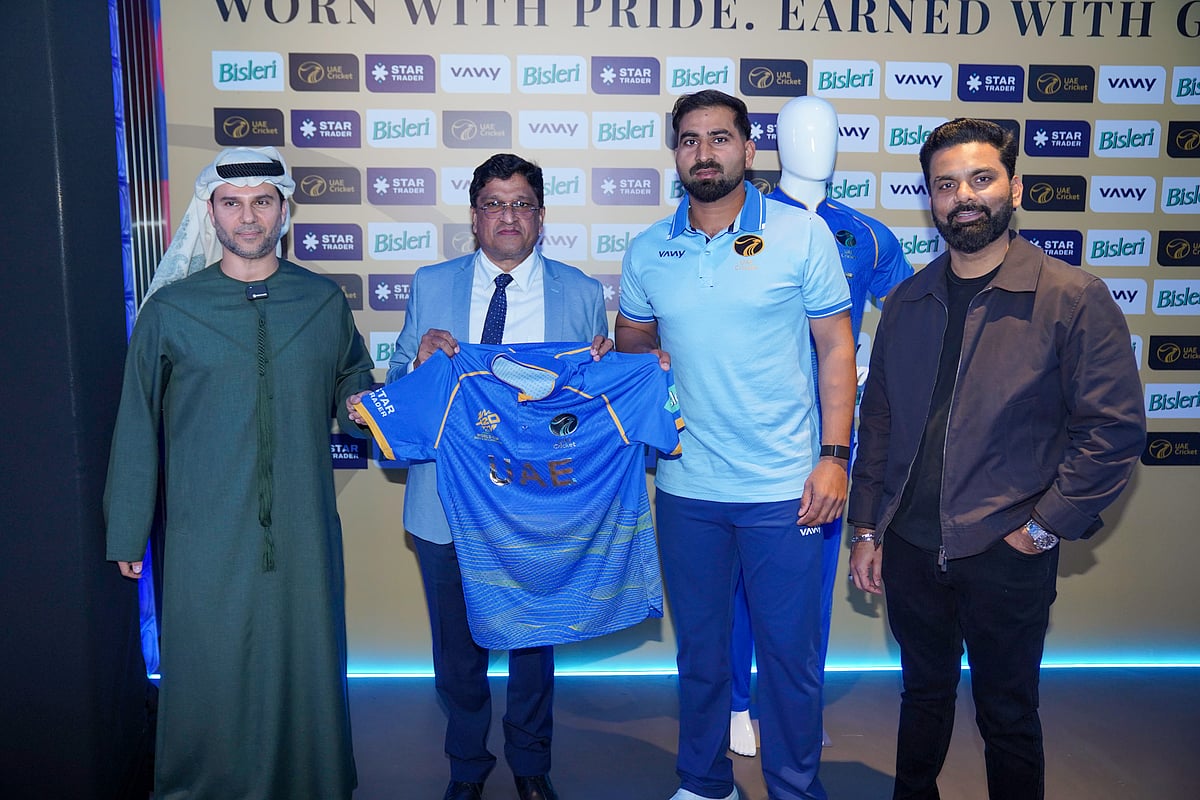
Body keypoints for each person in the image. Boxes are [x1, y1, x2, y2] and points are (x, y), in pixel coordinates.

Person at [847, 118, 1146, 800]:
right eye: (946, 185)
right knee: (921, 698)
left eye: (981, 179)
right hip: (912, 548)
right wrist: (867, 530)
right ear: (931, 199)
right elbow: (883, 425)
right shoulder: (907, 300)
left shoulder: (1071, 296)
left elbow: (1115, 430)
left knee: (1008, 716)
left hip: (1007, 551)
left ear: (1015, 187)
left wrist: (1043, 527)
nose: (964, 197)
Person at [104, 146, 372, 799]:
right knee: (209, 669)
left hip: (303, 533)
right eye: (232, 203)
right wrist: (127, 528)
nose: (247, 217)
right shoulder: (172, 311)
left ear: (284, 210)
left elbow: (356, 392)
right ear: (211, 212)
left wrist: (396, 398)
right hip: (203, 535)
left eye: (261, 201)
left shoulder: (320, 301)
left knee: (302, 665)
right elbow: (136, 422)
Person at [616, 90, 857, 800]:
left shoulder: (799, 234)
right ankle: (704, 779)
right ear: (676, 155)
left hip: (785, 487)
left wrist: (834, 457)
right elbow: (634, 335)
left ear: (749, 151)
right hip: (687, 489)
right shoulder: (649, 248)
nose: (704, 153)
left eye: (720, 138)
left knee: (789, 658)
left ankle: (793, 788)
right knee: (702, 655)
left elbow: (837, 347)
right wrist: (636, 353)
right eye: (689, 141)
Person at [348, 153, 608, 800]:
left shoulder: (579, 293)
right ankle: (467, 767)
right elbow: (398, 391)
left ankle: (530, 764)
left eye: (521, 204)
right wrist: (418, 364)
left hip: (538, 505)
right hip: (445, 502)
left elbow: (590, 408)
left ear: (541, 215)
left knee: (533, 649)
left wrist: (603, 375)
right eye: (494, 204)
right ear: (474, 216)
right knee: (457, 655)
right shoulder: (431, 284)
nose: (508, 217)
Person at [728, 96, 913, 757]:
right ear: (775, 143)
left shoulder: (866, 234)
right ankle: (736, 701)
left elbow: (913, 314)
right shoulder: (741, 223)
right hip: (748, 431)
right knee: (740, 578)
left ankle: (792, 705)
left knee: (806, 581)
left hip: (833, 438)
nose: (818, 143)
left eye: (829, 132)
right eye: (805, 132)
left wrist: (871, 364)